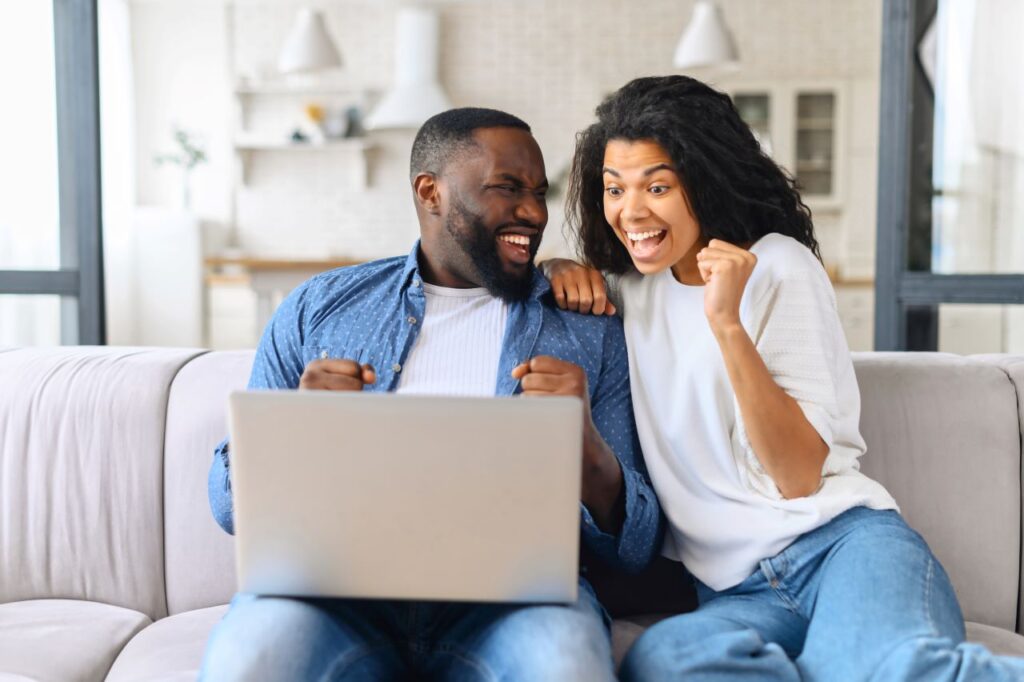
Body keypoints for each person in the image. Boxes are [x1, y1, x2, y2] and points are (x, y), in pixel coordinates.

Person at [545, 75, 1024, 680]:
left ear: (705, 179)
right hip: (737, 595)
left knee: (888, 669)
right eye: (615, 188)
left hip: (842, 551)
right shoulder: (630, 290)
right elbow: (559, 286)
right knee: (667, 660)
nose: (630, 211)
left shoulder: (778, 266)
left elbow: (798, 477)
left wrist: (726, 324)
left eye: (657, 186)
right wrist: (556, 264)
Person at [200, 107, 663, 681]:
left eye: (538, 193)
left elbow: (637, 546)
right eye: (507, 188)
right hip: (333, 600)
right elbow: (227, 506)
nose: (534, 212)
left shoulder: (585, 327)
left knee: (564, 665)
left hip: (518, 607)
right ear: (430, 192)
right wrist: (297, 424)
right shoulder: (319, 308)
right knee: (253, 661)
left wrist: (585, 442)